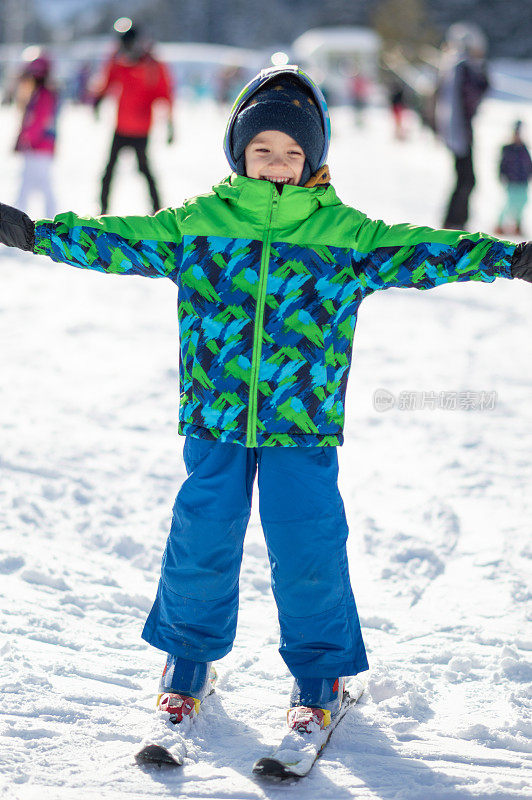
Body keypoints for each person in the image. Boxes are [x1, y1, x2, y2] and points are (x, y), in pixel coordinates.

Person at [1, 65, 531, 744]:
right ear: (239, 153)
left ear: (312, 157)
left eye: (292, 152)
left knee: (307, 542)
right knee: (203, 537)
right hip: (215, 419)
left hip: (301, 425)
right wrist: (35, 233)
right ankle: (187, 665)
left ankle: (320, 679)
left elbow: (428, 250)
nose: (278, 164)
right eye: (263, 151)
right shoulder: (200, 224)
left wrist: (507, 259)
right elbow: (117, 239)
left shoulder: (346, 235)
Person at [93, 22, 174, 215]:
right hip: (122, 125)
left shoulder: (153, 65)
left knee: (143, 170)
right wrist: (97, 100)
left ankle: (157, 210)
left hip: (141, 128)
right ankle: (103, 210)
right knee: (110, 170)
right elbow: (107, 82)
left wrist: (171, 125)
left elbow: (165, 94)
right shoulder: (118, 61)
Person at [435, 23, 489, 230]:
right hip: (460, 131)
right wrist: (482, 74)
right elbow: (472, 96)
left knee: (464, 178)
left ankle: (455, 221)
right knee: (467, 179)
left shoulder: (451, 64)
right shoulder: (463, 67)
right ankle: (455, 223)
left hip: (453, 130)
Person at [13, 54, 59, 219]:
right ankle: (50, 219)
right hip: (39, 147)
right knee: (31, 185)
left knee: (34, 186)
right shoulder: (39, 93)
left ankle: (51, 220)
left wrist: (27, 141)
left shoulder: (44, 94)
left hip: (40, 147)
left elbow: (38, 121)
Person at [495, 120, 532, 237]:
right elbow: (502, 164)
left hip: (523, 181)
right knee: (509, 203)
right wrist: (501, 175)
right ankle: (500, 224)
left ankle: (518, 225)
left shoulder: (524, 148)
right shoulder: (508, 148)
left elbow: (528, 163)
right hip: (512, 181)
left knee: (522, 202)